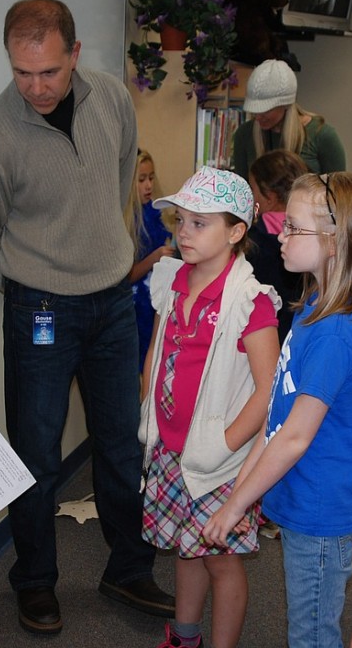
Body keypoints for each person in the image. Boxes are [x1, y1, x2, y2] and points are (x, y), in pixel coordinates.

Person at [0, 0, 172, 634]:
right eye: (22, 73)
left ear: (75, 56)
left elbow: (118, 174)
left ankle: (128, 567)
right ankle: (35, 583)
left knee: (120, 444)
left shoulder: (111, 99)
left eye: (49, 71)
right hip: (40, 311)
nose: (36, 87)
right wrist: (39, 277)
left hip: (110, 304)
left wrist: (99, 252)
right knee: (37, 455)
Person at [203, 171, 352, 648]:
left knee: (310, 633)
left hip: (322, 513)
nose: (278, 235)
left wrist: (236, 503)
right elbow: (276, 419)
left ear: (334, 241)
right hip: (301, 500)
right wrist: (243, 491)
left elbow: (295, 435)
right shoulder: (311, 308)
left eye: (291, 227)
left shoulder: (334, 332)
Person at [140, 166, 281, 648]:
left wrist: (223, 445)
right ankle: (185, 635)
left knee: (220, 559)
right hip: (171, 447)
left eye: (200, 224)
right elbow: (156, 353)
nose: (185, 232)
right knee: (186, 547)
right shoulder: (173, 279)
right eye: (181, 221)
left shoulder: (250, 300)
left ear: (236, 232)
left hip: (218, 459)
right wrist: (149, 411)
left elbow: (268, 390)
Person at [231, 59, 346, 180]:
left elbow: (338, 193)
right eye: (254, 110)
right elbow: (241, 190)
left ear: (286, 105)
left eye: (266, 110)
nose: (258, 117)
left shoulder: (322, 135)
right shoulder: (244, 135)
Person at [246, 149, 309, 342]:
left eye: (252, 189)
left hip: (262, 335)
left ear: (270, 198)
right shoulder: (311, 238)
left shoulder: (252, 243)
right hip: (298, 333)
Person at [126, 149, 174, 370]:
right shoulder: (126, 222)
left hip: (156, 302)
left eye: (151, 178)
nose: (148, 186)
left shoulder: (157, 213)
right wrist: (155, 257)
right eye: (141, 179)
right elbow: (127, 277)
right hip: (133, 309)